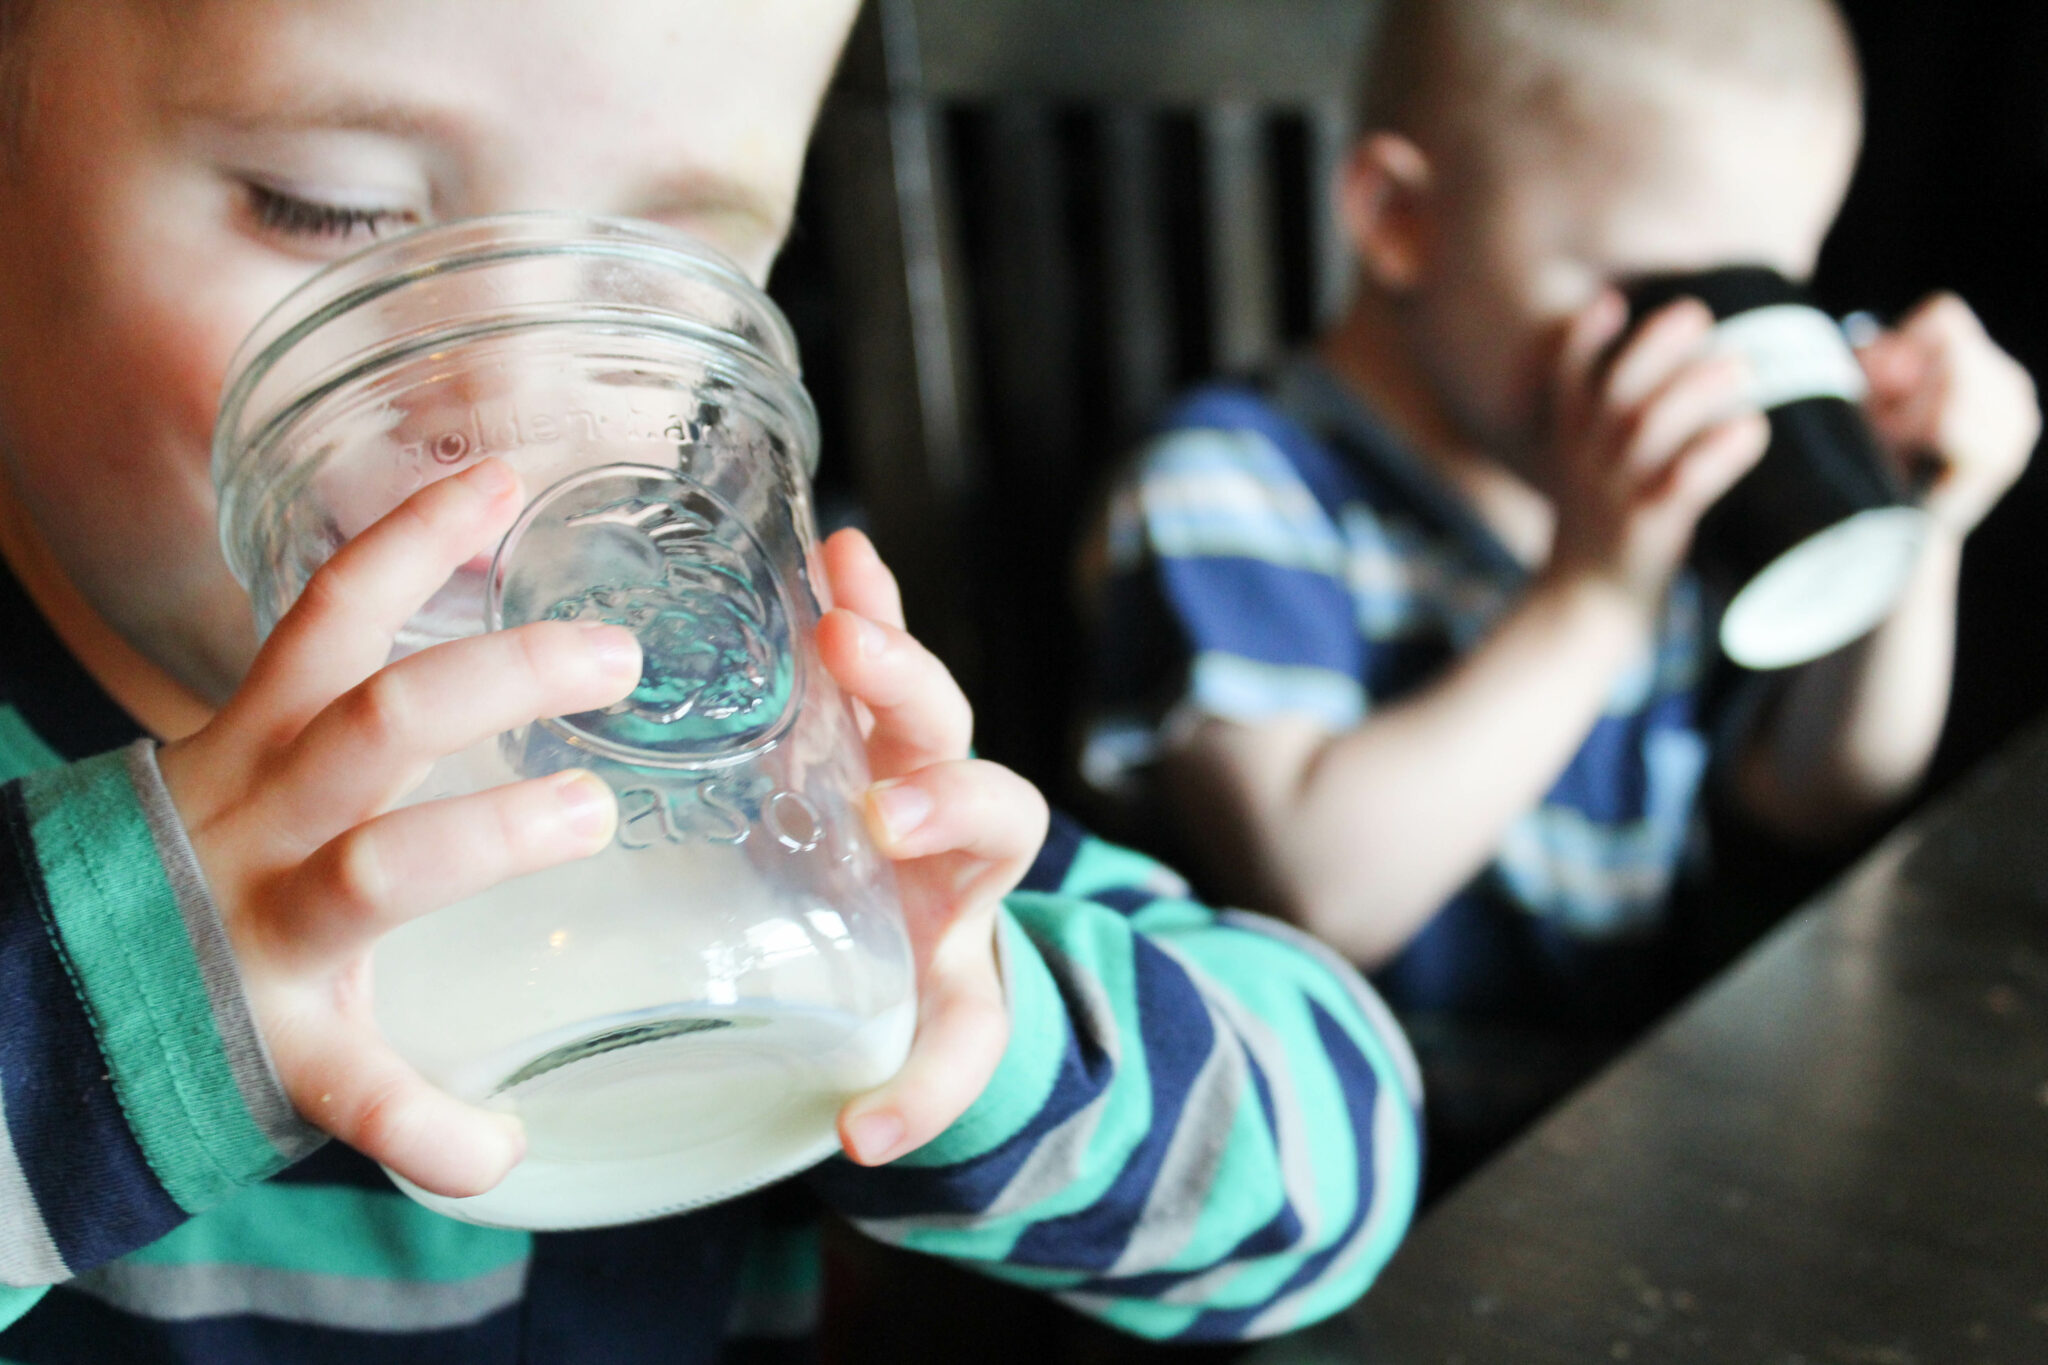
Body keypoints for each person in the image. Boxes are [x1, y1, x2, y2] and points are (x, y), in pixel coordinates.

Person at [0, 1, 1424, 1359]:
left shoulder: (713, 735)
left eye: (661, 257)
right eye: (330, 209)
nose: (517, 402)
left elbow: (1350, 1155)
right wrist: (133, 988)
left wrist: (974, 1025)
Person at [1080, 0, 2038, 1171]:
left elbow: (1814, 792)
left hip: (1635, 1149)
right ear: (1397, 219)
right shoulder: (1231, 484)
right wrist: (1591, 596)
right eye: (1642, 287)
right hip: (1336, 1184)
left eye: (1752, 290)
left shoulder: (1623, 479)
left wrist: (1915, 522)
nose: (1692, 354)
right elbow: (1316, 890)